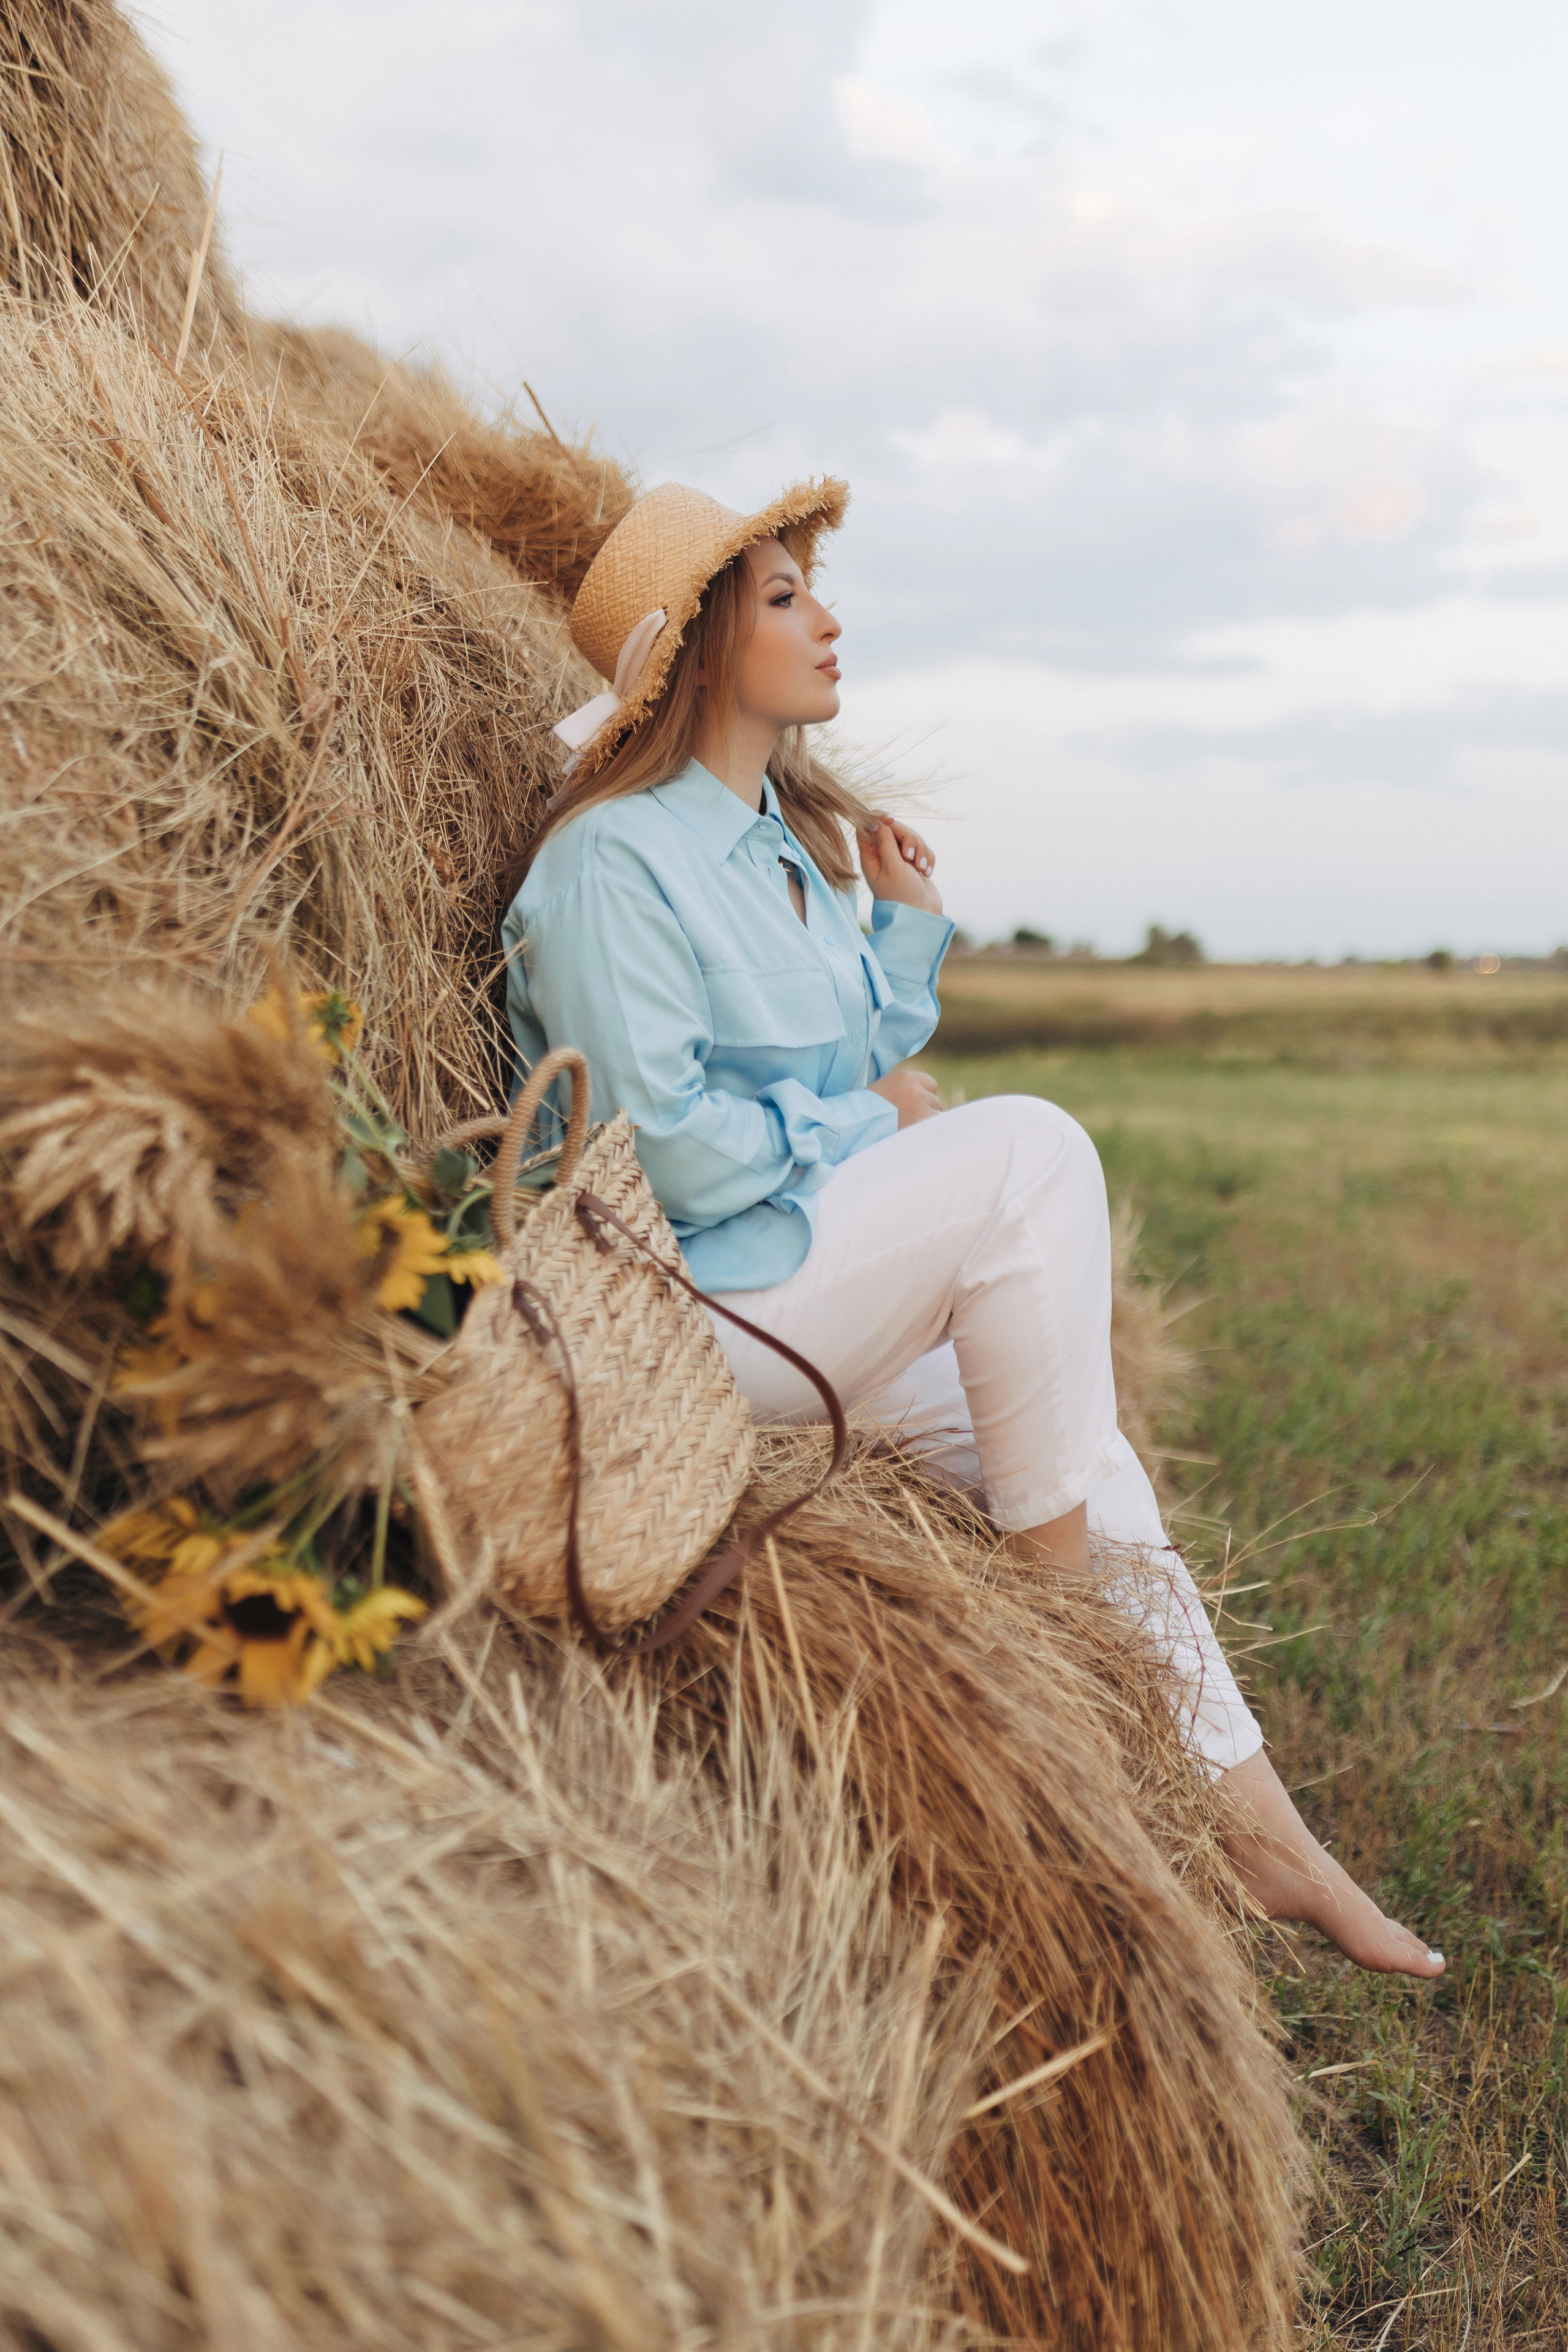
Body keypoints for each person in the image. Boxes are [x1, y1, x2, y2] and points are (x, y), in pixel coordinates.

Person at [502, 476, 1443, 1980]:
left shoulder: (779, 859)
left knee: (1079, 1445)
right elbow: (665, 1152)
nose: (829, 620)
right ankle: (1064, 1667)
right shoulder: (612, 864)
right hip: (692, 1311)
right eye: (785, 598)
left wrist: (897, 929)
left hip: (803, 1273)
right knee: (1028, 1152)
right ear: (690, 650)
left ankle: (1263, 1828)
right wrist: (881, 1123)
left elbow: (843, 1055)